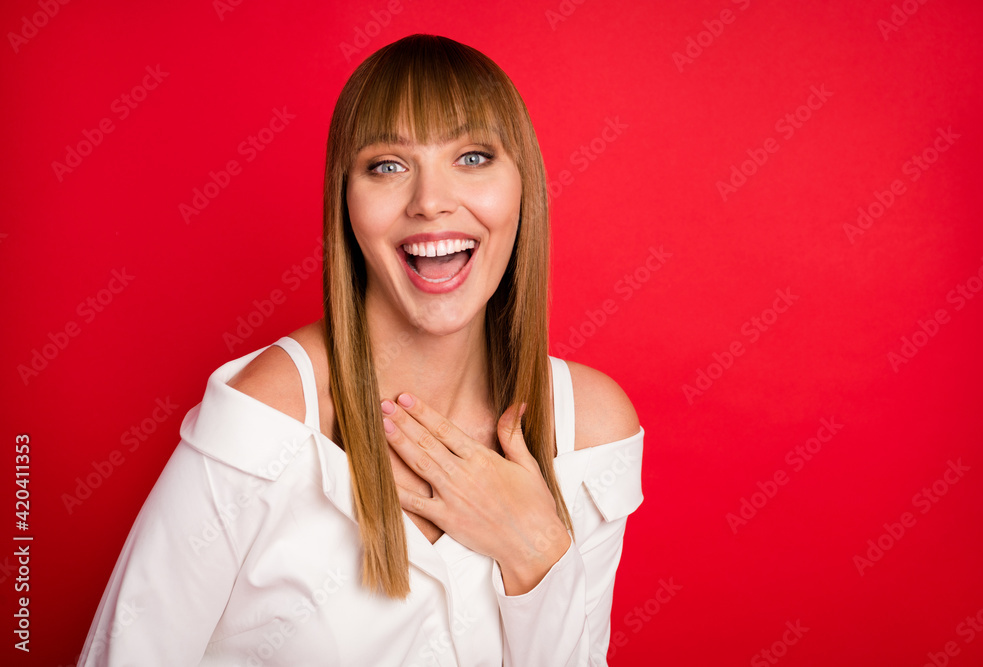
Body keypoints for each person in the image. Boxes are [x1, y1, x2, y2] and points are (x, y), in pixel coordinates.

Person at [78, 33, 644, 666]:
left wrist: (538, 551)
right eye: (388, 165)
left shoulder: (590, 427)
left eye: (474, 157)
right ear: (345, 201)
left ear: (524, 189)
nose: (430, 200)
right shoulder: (269, 411)